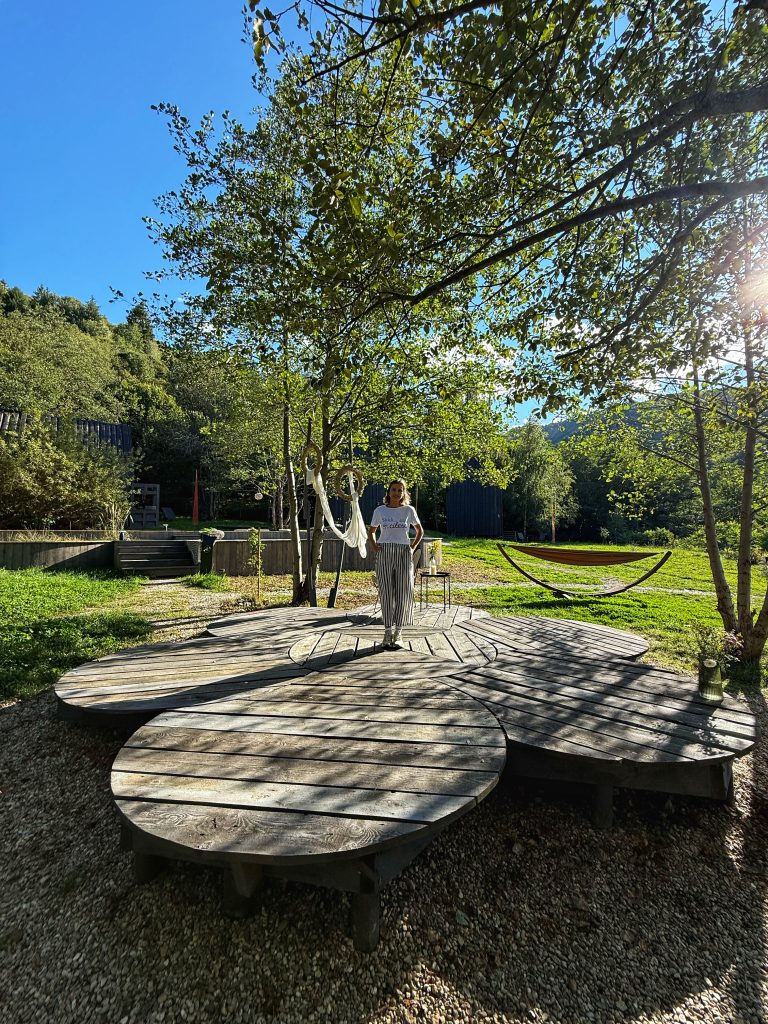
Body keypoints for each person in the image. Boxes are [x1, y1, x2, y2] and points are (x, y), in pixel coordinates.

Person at [367, 479, 424, 649]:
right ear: (388, 491)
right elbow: (372, 531)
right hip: (384, 551)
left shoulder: (409, 510)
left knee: (402, 592)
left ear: (404, 493)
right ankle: (387, 632)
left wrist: (412, 547)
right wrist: (374, 545)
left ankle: (398, 632)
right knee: (385, 592)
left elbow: (420, 531)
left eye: (400, 490)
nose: (397, 493)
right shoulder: (380, 510)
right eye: (394, 489)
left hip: (403, 552)